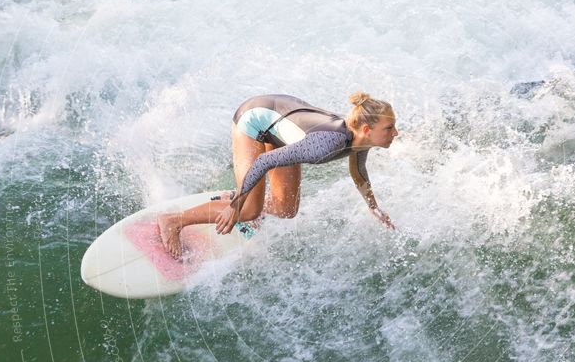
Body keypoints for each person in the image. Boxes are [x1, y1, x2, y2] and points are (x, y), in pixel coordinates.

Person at [158, 92, 398, 258]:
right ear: (367, 129)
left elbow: (358, 173)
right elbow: (264, 160)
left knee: (286, 208)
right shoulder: (324, 145)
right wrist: (237, 205)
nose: (395, 132)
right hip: (255, 120)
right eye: (389, 128)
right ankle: (173, 221)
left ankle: (238, 196)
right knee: (249, 210)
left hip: (280, 126)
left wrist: (374, 209)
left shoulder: (359, 140)